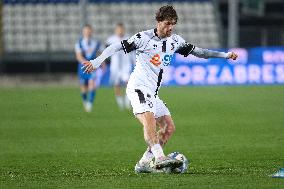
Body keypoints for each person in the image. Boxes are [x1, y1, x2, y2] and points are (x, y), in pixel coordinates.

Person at [82, 5, 238, 172]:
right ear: (158, 21)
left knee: (169, 128)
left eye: (173, 24)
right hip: (138, 88)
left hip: (153, 93)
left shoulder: (175, 41)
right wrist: (96, 62)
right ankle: (160, 157)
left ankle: (143, 163)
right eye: (167, 23)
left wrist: (225, 55)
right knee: (149, 120)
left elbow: (200, 52)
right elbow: (116, 46)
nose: (170, 27)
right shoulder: (143, 38)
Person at [75, 24, 103, 112]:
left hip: (92, 66)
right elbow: (78, 56)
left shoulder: (96, 43)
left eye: (89, 30)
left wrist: (98, 62)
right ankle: (84, 100)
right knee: (83, 86)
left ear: (91, 31)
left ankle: (90, 104)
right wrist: (86, 63)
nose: (88, 32)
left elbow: (101, 53)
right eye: (86, 31)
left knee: (92, 83)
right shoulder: (79, 43)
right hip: (82, 66)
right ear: (83, 32)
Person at [106, 23, 134, 110]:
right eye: (118, 29)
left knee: (129, 83)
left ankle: (127, 100)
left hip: (126, 65)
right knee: (117, 84)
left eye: (121, 29)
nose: (120, 31)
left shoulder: (129, 39)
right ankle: (120, 103)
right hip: (115, 66)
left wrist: (134, 62)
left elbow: (132, 52)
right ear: (116, 30)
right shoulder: (110, 40)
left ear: (124, 30)